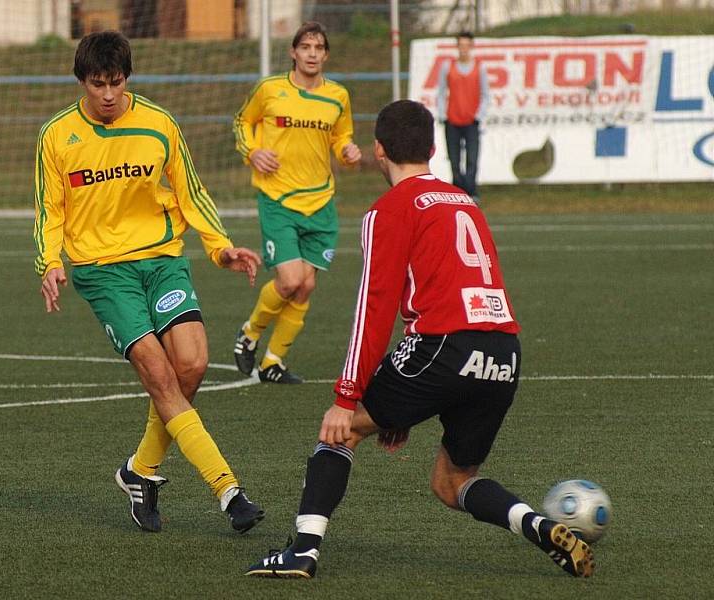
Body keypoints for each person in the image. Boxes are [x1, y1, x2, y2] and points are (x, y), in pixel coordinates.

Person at [245, 100, 595, 579]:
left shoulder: (388, 209)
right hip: (503, 352)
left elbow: (374, 309)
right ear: (433, 148)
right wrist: (402, 397)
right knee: (452, 482)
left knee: (342, 430)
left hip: (442, 343)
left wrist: (346, 397)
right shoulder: (464, 200)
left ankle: (302, 551)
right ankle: (535, 524)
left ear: (378, 150)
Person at [34, 31, 265, 535]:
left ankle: (139, 471)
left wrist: (220, 246)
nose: (109, 95)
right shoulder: (56, 135)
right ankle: (229, 492)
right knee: (160, 377)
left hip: (162, 261)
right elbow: (49, 209)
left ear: (127, 79)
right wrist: (49, 261)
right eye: (98, 85)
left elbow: (191, 192)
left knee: (193, 364)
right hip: (102, 271)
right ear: (82, 82)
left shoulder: (160, 124)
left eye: (116, 83)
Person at [232, 21, 362, 384]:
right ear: (293, 52)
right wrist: (253, 152)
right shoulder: (270, 89)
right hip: (279, 199)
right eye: (305, 47)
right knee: (289, 281)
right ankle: (250, 333)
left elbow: (342, 138)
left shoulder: (338, 96)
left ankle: (273, 362)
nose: (312, 54)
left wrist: (349, 153)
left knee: (306, 286)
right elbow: (242, 122)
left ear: (326, 55)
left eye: (318, 48)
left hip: (321, 202)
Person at [436, 31, 489, 201]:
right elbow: (441, 92)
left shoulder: (479, 68)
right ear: (457, 47)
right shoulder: (448, 67)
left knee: (472, 159)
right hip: (452, 120)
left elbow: (486, 94)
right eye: (461, 45)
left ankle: (471, 191)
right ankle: (457, 191)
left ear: (472, 47)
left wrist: (478, 116)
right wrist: (443, 114)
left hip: (471, 122)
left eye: (467, 46)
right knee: (454, 160)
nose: (464, 49)